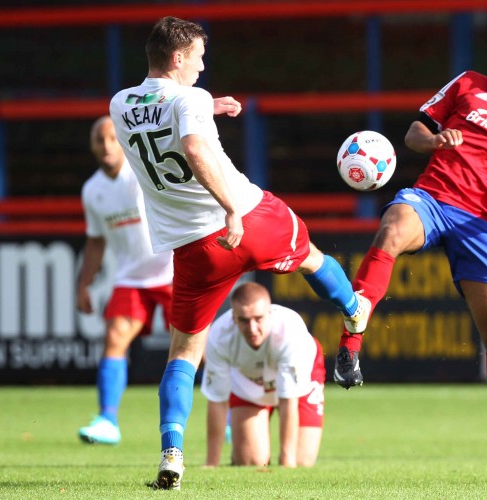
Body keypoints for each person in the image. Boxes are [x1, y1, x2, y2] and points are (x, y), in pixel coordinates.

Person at [109, 16, 368, 490]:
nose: (203, 68)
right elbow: (191, 143)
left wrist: (207, 104)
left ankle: (171, 452)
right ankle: (354, 311)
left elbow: (167, 109)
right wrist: (230, 207)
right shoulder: (189, 99)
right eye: (200, 58)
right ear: (178, 57)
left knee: (184, 353)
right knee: (310, 255)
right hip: (248, 219)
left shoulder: (120, 104)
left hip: (195, 252)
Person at [333, 27, 487, 485]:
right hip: (434, 199)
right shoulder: (470, 84)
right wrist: (436, 142)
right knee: (391, 231)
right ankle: (350, 348)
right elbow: (415, 133)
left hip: (485, 225)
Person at [76, 116, 174, 445]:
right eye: (98, 140)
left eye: (111, 138)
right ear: (91, 146)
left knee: (195, 348)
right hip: (131, 277)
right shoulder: (92, 190)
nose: (105, 145)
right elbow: (96, 240)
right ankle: (108, 420)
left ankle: (230, 415)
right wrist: (83, 283)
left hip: (173, 270)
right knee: (115, 338)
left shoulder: (143, 171)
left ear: (122, 141)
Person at [201, 282, 324, 468]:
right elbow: (217, 401)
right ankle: (240, 452)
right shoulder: (219, 336)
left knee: (300, 462)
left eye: (258, 318)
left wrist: (287, 462)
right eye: (243, 320)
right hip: (248, 381)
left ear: (269, 313)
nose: (252, 328)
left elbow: (288, 401)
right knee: (251, 461)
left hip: (301, 379)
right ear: (233, 318)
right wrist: (211, 463)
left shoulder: (290, 333)